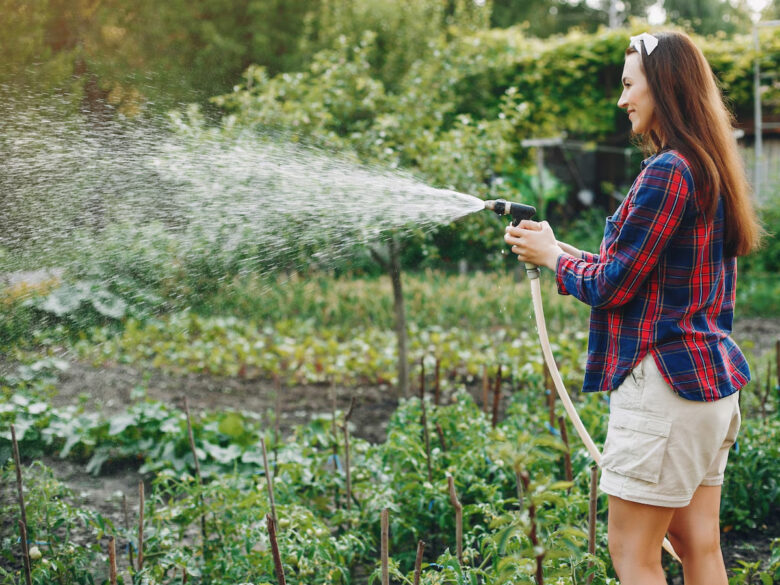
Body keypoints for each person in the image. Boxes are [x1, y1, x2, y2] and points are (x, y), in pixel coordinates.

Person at [504, 31, 763, 585]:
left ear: (664, 87)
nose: (622, 100)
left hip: (667, 389)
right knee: (699, 548)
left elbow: (612, 286)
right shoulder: (707, 165)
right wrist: (559, 252)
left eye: (629, 85)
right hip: (708, 388)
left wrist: (554, 259)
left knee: (631, 552)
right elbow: (636, 272)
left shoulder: (667, 170)